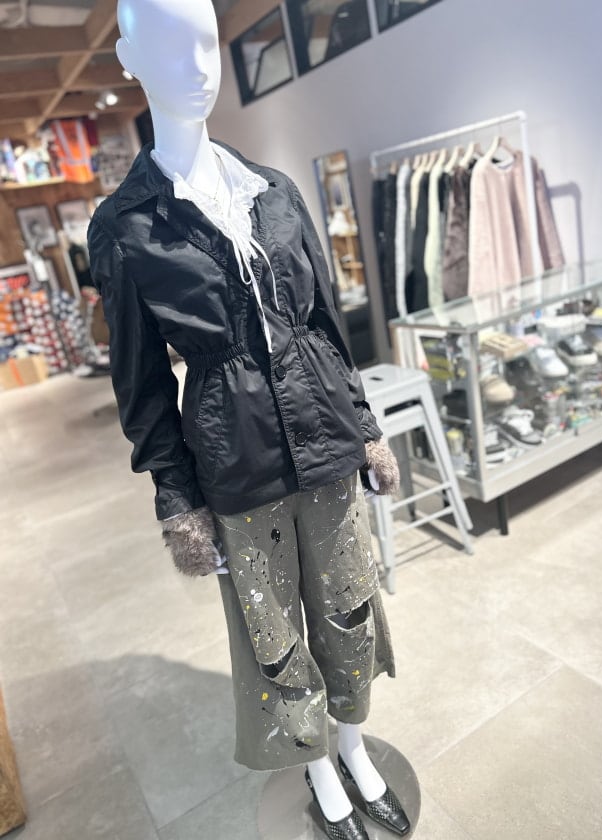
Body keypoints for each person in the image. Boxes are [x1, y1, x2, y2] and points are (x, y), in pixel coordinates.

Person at [87, 1, 410, 837]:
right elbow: (141, 383)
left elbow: (326, 326)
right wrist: (178, 502)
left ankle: (353, 745)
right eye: (171, 46)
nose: (199, 66)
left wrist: (365, 425)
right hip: (235, 461)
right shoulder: (126, 227)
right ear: (129, 57)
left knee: (348, 605)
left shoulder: (273, 191)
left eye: (207, 43)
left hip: (326, 440)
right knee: (275, 635)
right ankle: (317, 767)